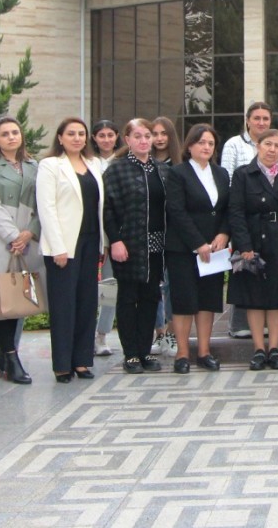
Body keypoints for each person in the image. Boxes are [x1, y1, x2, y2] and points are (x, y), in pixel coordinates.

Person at [228, 129, 278, 370]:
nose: (272, 149)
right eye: (267, 144)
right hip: (254, 241)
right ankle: (258, 349)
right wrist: (244, 246)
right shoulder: (243, 174)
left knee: (277, 298)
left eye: (277, 145)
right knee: (255, 299)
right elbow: (236, 212)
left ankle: (274, 348)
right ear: (257, 146)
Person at [0, 115, 42, 385]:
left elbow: (42, 203)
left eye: (15, 132)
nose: (12, 137)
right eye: (5, 134)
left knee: (17, 297)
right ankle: (11, 356)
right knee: (1, 298)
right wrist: (14, 236)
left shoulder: (33, 166)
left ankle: (5, 356)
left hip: (26, 237)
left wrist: (30, 232)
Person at [36, 117, 105, 383]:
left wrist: (103, 244)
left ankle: (82, 361)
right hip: (64, 246)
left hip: (91, 241)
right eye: (71, 134)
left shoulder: (94, 164)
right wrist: (58, 247)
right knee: (64, 305)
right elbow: (47, 208)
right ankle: (62, 364)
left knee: (87, 302)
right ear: (60, 137)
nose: (77, 138)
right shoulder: (51, 165)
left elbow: (99, 206)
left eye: (81, 134)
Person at [102, 118, 171, 375]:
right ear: (128, 140)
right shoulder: (116, 169)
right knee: (129, 297)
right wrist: (115, 240)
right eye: (138, 136)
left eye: (148, 136)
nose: (144, 141)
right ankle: (130, 354)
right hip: (129, 243)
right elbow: (108, 210)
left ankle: (145, 351)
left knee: (151, 297)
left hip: (157, 244)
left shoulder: (162, 170)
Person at [164, 124, 230, 373]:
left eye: (211, 143)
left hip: (214, 251)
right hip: (183, 249)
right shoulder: (178, 173)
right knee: (184, 301)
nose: (206, 147)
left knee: (207, 301)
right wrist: (198, 243)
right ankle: (182, 354)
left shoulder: (221, 173)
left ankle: (204, 351)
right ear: (190, 145)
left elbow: (226, 208)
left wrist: (223, 233)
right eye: (201, 142)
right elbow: (177, 211)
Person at [148, 116, 181, 356]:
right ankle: (158, 332)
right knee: (152, 284)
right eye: (155, 134)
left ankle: (170, 332)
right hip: (149, 232)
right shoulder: (142, 164)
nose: (159, 138)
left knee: (170, 284)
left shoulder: (179, 166)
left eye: (163, 134)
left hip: (174, 233)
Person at [89, 119, 119, 358]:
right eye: (102, 135)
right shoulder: (88, 162)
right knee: (88, 288)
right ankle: (86, 334)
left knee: (110, 287)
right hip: (91, 232)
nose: (106, 139)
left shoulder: (121, 162)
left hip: (114, 234)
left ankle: (102, 335)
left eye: (110, 135)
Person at [220, 102, 272, 181]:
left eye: (265, 119)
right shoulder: (233, 144)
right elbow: (227, 179)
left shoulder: (276, 146)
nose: (261, 123)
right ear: (247, 121)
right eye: (257, 118)